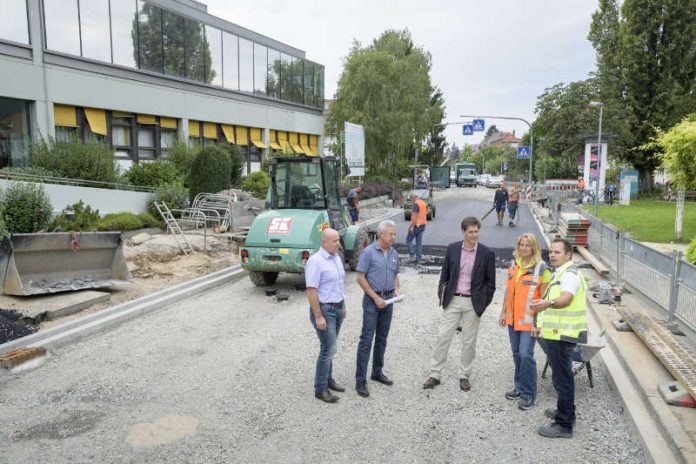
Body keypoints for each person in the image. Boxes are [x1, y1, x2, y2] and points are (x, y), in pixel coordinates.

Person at [423, 216, 496, 392]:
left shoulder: (487, 254)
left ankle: (464, 375)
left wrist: (481, 305)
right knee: (443, 338)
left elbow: (491, 283)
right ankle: (435, 374)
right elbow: (444, 275)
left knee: (469, 342)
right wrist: (443, 296)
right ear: (463, 232)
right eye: (470, 232)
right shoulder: (453, 249)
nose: (474, 235)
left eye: (476, 231)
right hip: (453, 300)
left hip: (473, 303)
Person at [530, 238, 588, 438]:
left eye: (557, 252)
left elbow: (566, 299)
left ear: (569, 254)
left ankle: (564, 425)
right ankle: (566, 412)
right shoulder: (560, 273)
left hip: (563, 335)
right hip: (557, 333)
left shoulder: (569, 275)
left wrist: (548, 303)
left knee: (562, 379)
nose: (552, 255)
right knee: (562, 377)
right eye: (551, 252)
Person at [498, 233, 551, 410]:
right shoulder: (514, 264)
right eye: (521, 245)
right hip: (513, 319)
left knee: (525, 355)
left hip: (530, 322)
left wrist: (539, 323)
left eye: (527, 245)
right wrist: (503, 311)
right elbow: (509, 291)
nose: (523, 248)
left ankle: (529, 394)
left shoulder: (542, 269)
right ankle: (519, 388)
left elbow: (545, 299)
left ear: (534, 247)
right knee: (516, 354)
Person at [355, 220, 401, 398]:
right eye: (390, 234)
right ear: (381, 234)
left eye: (394, 234)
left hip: (388, 300)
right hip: (372, 301)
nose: (393, 237)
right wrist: (375, 297)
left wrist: (396, 290)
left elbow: (395, 275)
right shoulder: (368, 252)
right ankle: (360, 380)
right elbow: (360, 277)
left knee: (382, 338)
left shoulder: (394, 253)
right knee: (366, 339)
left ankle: (376, 372)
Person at [305, 228, 347, 403]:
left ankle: (328, 379)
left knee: (331, 347)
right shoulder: (315, 261)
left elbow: (339, 283)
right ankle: (320, 389)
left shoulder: (336, 258)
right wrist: (319, 316)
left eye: (338, 240)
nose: (338, 244)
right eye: (334, 241)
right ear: (324, 242)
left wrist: (343, 305)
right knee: (328, 349)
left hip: (337, 308)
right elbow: (311, 291)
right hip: (324, 310)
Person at [406, 191, 427, 264]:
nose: (411, 200)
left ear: (413, 197)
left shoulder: (416, 204)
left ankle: (412, 256)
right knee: (419, 242)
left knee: (408, 240)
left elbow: (415, 215)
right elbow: (425, 213)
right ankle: (419, 258)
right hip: (423, 224)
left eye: (411, 198)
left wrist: (411, 227)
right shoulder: (423, 203)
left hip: (416, 225)